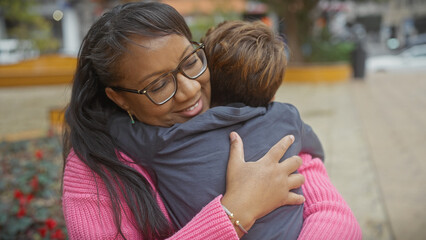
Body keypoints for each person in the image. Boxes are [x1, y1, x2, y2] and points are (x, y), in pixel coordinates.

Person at [62, 2, 362, 239]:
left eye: (191, 62)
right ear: (119, 98)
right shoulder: (95, 166)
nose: (190, 90)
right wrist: (236, 212)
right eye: (158, 86)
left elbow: (335, 217)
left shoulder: (253, 113)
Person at [110, 20, 324, 240]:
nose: (190, 89)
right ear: (272, 96)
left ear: (209, 75)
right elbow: (316, 152)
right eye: (158, 85)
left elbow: (112, 126)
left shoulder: (164, 141)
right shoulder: (287, 117)